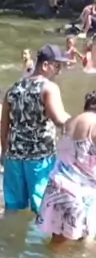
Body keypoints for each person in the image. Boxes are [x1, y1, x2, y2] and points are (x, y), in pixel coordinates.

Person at [0, 44, 71, 214]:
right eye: (57, 66)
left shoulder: (13, 89)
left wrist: (4, 151)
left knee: (13, 207)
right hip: (39, 158)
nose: (59, 71)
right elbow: (59, 119)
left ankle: (10, 231)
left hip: (14, 156)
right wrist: (82, 124)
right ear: (45, 65)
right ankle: (36, 233)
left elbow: (4, 125)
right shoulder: (48, 88)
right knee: (42, 207)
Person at [36, 91, 96, 247]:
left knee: (57, 242)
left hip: (57, 185)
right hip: (80, 192)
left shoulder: (71, 122)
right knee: (84, 242)